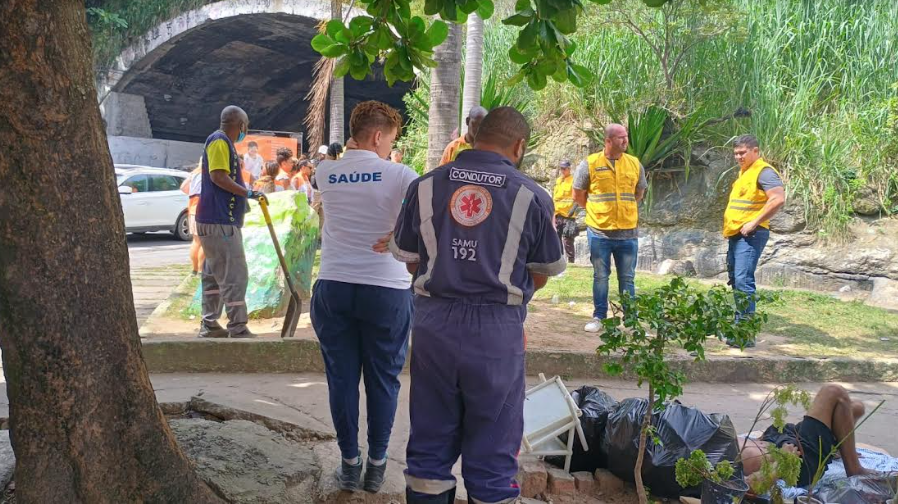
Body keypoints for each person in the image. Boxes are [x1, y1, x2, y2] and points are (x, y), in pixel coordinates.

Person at [388, 107, 566, 504]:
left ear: (472, 136)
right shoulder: (532, 196)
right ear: (519, 145)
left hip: (434, 323)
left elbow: (411, 258)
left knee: (430, 438)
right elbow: (543, 271)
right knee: (494, 446)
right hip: (497, 329)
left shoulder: (425, 186)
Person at [311, 101, 418, 493]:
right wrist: (397, 240)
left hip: (334, 286)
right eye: (390, 139)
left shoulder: (325, 171)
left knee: (341, 379)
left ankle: (348, 462)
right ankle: (376, 465)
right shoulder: (402, 174)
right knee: (383, 379)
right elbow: (429, 219)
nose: (391, 146)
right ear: (378, 136)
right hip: (386, 290)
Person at [194, 105, 263, 339]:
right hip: (219, 221)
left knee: (213, 273)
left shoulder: (222, 143)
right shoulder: (220, 142)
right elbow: (218, 176)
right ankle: (238, 326)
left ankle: (210, 323)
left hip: (215, 219)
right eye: (246, 126)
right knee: (234, 273)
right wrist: (247, 193)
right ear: (241, 125)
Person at [572, 123, 647, 332]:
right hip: (599, 233)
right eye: (620, 138)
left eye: (626, 137)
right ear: (608, 141)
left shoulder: (634, 164)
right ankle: (599, 317)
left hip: (628, 233)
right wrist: (596, 211)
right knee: (601, 276)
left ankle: (630, 319)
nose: (625, 141)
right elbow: (578, 194)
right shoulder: (590, 164)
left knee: (627, 278)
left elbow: (639, 192)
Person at [741, 384, 875, 488]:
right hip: (795, 461)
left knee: (855, 408)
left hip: (780, 437)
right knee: (834, 392)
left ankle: (837, 448)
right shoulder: (720, 466)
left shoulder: (720, 439)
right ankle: (854, 469)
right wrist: (779, 465)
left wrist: (762, 438)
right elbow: (748, 487)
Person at [723, 135, 785, 345]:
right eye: (736, 153)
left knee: (743, 280)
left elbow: (778, 198)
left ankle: (745, 335)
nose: (738, 157)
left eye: (743, 152)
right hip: (736, 233)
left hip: (750, 234)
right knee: (736, 280)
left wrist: (754, 222)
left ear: (755, 151)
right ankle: (739, 329)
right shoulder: (744, 173)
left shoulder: (764, 171)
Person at [180, 162, 206, 275]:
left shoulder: (194, 174)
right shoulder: (208, 174)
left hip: (192, 208)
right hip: (204, 208)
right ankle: (201, 270)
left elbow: (183, 188)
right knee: (206, 242)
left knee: (196, 241)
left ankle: (195, 269)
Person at [553, 159, 577, 263]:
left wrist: (572, 211)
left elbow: (577, 198)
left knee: (568, 239)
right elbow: (555, 197)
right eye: (561, 168)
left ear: (569, 169)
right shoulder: (559, 181)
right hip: (558, 214)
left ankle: (571, 261)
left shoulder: (574, 180)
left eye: (564, 168)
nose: (562, 171)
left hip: (569, 215)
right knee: (556, 238)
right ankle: (559, 259)